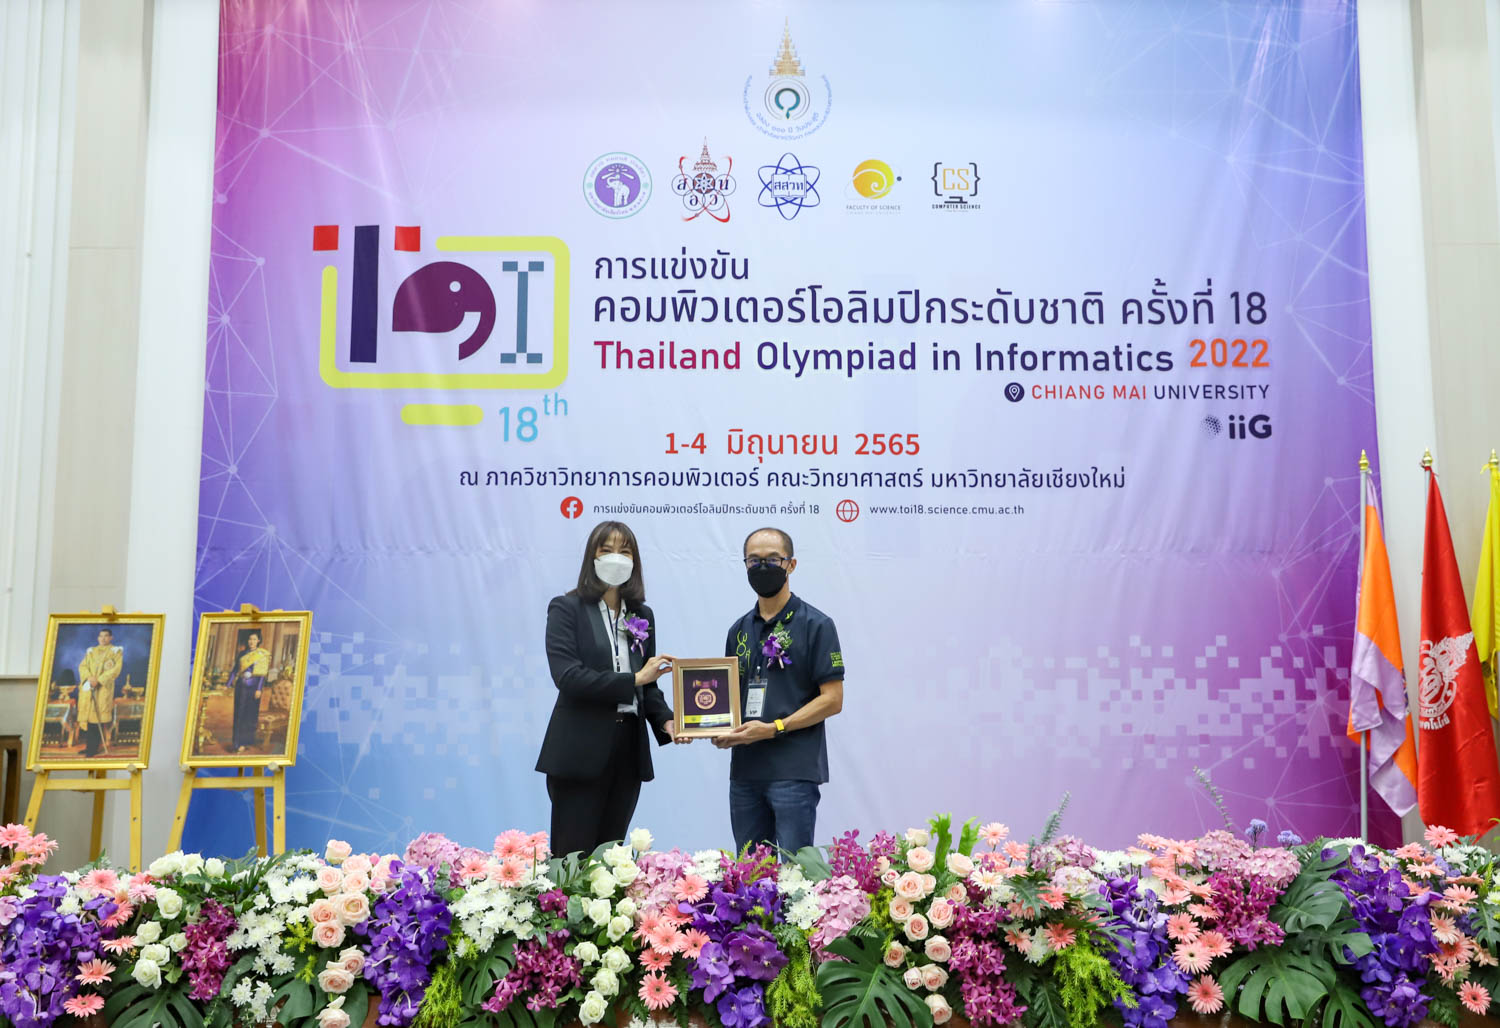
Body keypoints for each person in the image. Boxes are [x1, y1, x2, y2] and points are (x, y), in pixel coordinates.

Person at [536, 520, 681, 857]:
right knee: (572, 861)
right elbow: (569, 677)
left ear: (635, 561)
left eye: (624, 551)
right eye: (607, 550)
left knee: (610, 859)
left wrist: (668, 722)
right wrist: (634, 679)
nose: (616, 557)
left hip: (628, 747)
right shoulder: (566, 608)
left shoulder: (642, 614)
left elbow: (648, 686)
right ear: (592, 557)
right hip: (580, 749)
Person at [715, 527, 845, 855]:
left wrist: (775, 727)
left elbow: (832, 700)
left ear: (791, 564)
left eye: (772, 559)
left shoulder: (816, 625)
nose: (762, 567)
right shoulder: (738, 630)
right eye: (754, 560)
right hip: (745, 773)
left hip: (793, 771)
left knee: (795, 873)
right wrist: (713, 727)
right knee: (749, 873)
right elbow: (728, 700)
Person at [77, 628, 123, 757]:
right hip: (90, 686)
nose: (103, 638)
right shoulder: (91, 651)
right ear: (98, 638)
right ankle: (89, 747)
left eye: (106, 636)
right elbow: (83, 666)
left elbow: (115, 669)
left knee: (96, 719)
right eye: (101, 636)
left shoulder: (115, 652)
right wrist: (89, 678)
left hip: (102, 689)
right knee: (89, 719)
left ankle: (93, 749)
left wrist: (99, 680)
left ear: (111, 638)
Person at [227, 630, 270, 753]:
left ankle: (245, 741)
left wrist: (259, 689)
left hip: (254, 688)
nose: (252, 641)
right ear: (247, 640)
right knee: (239, 714)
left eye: (254, 639)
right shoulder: (242, 654)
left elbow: (262, 675)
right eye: (250, 639)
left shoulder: (262, 654)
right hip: (241, 687)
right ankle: (237, 743)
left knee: (250, 715)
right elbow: (235, 670)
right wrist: (228, 684)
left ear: (258, 641)